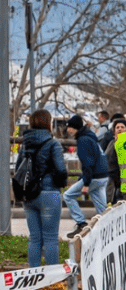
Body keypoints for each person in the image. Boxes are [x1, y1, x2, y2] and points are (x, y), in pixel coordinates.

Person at [18, 110, 67, 267]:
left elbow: (19, 168)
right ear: (48, 122)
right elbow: (60, 170)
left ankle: (34, 278)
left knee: (35, 238)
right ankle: (52, 280)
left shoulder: (24, 144)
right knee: (51, 239)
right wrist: (61, 183)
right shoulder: (53, 144)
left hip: (29, 195)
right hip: (49, 193)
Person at [63, 115, 109, 238]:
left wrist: (86, 184)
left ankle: (81, 223)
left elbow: (88, 164)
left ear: (74, 128)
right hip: (103, 175)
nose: (68, 130)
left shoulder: (83, 140)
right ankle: (107, 228)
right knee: (101, 208)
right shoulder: (90, 137)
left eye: (69, 127)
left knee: (68, 196)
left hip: (94, 177)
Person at [104, 118, 126, 204]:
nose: (119, 129)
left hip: (124, 178)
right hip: (111, 178)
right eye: (117, 127)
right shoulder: (111, 143)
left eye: (122, 127)